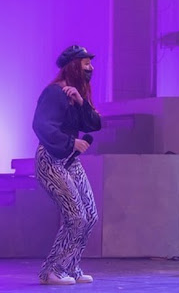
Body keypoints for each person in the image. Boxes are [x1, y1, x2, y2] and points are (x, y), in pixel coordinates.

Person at [32, 45, 102, 285]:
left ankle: (71, 265)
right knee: (76, 216)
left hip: (70, 161)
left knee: (90, 215)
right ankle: (54, 270)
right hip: (51, 159)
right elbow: (41, 126)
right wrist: (71, 142)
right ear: (74, 66)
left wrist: (81, 101)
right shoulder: (54, 93)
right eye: (86, 64)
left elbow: (94, 124)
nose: (91, 67)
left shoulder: (76, 94)